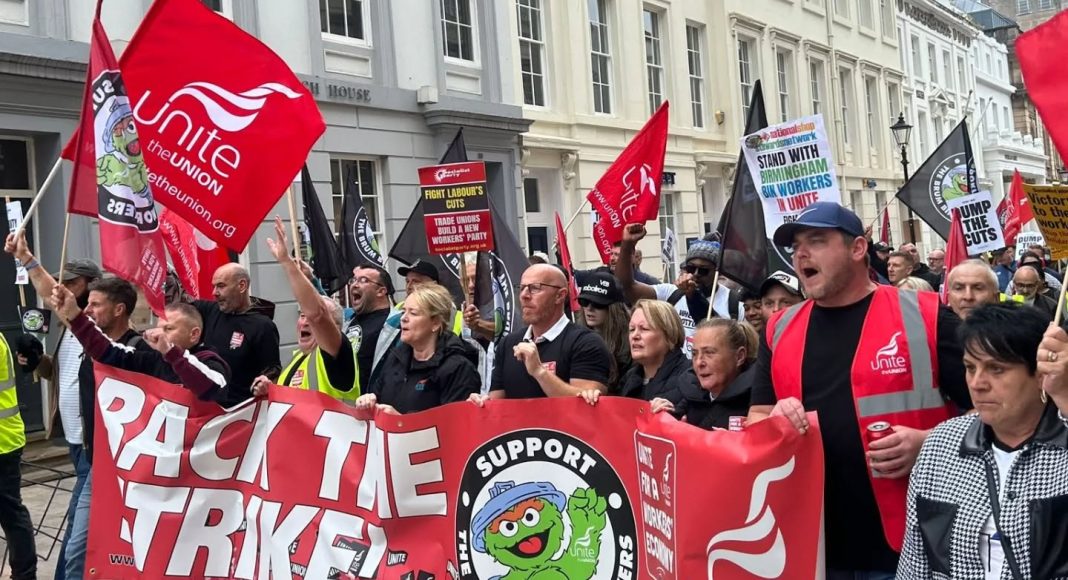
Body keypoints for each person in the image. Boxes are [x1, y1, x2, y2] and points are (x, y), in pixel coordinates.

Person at [747, 202, 971, 577]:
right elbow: (756, 416)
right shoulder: (779, 328)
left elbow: (998, 412)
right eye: (796, 246)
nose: (801, 253)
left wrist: (929, 443)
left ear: (857, 249)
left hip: (913, 541)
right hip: (811, 543)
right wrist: (774, 418)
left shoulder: (927, 315)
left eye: (816, 241)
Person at [898, 304, 1068, 579]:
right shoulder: (942, 445)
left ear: (1041, 375)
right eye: (970, 367)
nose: (977, 383)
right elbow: (916, 560)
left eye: (996, 369)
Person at [3, 231, 110, 580]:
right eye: (61, 281)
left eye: (72, 283)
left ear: (94, 286)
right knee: (82, 524)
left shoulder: (96, 330)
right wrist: (37, 361)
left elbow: (55, 300)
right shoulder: (69, 330)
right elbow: (63, 374)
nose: (63, 288)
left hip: (97, 446)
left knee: (78, 538)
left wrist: (28, 259)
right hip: (74, 440)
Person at [49, 279, 149, 580]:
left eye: (95, 305)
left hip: (136, 470)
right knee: (77, 550)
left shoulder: (137, 351)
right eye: (86, 304)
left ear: (119, 310)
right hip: (97, 464)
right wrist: (27, 259)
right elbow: (54, 300)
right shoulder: (88, 343)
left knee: (138, 550)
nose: (87, 310)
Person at [251, 218, 357, 403]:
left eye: (308, 316)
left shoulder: (337, 355)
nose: (305, 321)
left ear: (336, 328)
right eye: (301, 315)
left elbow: (318, 314)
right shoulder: (297, 359)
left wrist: (287, 263)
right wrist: (271, 391)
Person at [470, 264, 612, 402]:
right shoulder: (509, 343)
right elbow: (497, 405)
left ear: (560, 296)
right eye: (522, 288)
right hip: (519, 426)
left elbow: (587, 403)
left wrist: (539, 372)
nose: (524, 295)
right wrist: (482, 403)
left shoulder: (586, 342)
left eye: (534, 288)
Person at [617, 224, 737, 357]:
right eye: (691, 268)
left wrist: (693, 297)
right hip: (678, 372)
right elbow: (626, 287)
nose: (696, 274)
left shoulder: (733, 302)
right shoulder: (672, 292)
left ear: (717, 272)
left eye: (703, 270)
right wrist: (627, 245)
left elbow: (726, 340)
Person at [358, 284, 480, 414]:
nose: (403, 318)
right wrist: (369, 401)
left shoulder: (458, 368)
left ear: (436, 323)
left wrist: (401, 422)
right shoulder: (396, 357)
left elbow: (454, 426)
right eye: (403, 311)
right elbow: (379, 399)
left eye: (413, 313)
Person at [194, 262, 281, 406]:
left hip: (240, 415)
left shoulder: (263, 326)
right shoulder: (211, 311)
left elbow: (272, 368)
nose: (214, 292)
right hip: (207, 412)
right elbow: (179, 301)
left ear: (242, 286)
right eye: (214, 286)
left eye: (221, 286)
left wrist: (265, 383)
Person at [651, 319, 758, 430]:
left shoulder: (758, 403)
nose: (699, 363)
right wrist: (664, 415)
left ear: (739, 357)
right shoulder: (691, 394)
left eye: (709, 353)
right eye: (694, 354)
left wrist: (734, 443)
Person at [588, 299, 690, 406]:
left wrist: (674, 413)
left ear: (669, 334)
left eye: (644, 329)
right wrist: (595, 400)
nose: (635, 336)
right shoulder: (629, 378)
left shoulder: (690, 376)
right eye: (632, 329)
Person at [0, 333, 37, 580]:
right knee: (12, 512)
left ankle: (24, 575)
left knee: (11, 513)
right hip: (6, 440)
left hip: (3, 442)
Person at [574, 272, 632, 393]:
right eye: (584, 302)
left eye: (598, 304)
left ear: (614, 309)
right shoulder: (575, 339)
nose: (589, 308)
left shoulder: (631, 342)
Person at [344, 263, 394, 388]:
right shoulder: (348, 320)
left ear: (381, 291)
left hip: (374, 402)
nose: (355, 284)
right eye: (354, 279)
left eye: (363, 280)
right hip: (348, 403)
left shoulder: (394, 325)